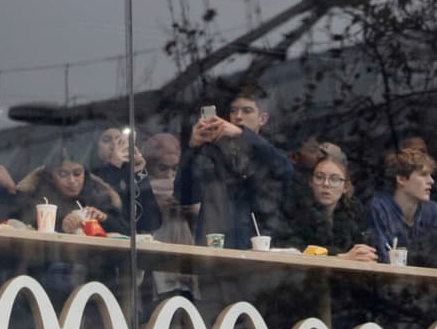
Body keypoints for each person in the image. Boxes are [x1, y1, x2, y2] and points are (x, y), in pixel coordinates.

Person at [176, 85, 293, 250]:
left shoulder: (270, 154)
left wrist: (243, 135)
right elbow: (184, 196)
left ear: (263, 119)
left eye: (247, 111)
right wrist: (193, 147)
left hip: (258, 250)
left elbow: (285, 170)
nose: (238, 117)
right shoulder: (211, 152)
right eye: (233, 111)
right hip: (215, 250)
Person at [277, 152, 378, 261]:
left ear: (346, 187)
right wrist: (340, 257)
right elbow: (291, 251)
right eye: (319, 177)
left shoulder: (353, 213)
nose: (326, 184)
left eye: (334, 179)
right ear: (311, 182)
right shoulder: (296, 211)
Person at [366, 148, 437, 265]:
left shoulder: (434, 213)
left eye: (430, 175)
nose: (431, 181)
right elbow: (380, 257)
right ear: (401, 179)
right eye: (423, 174)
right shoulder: (379, 208)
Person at [25, 145, 123, 234]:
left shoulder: (98, 197)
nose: (72, 181)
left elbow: (128, 233)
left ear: (85, 173)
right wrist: (61, 226)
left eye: (77, 173)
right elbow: (26, 226)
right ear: (51, 177)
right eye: (63, 174)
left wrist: (105, 219)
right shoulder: (38, 201)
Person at [90, 125, 161, 233]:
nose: (114, 146)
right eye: (107, 140)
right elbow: (109, 213)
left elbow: (152, 222)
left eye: (120, 140)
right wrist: (113, 166)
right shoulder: (88, 176)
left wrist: (139, 173)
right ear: (96, 148)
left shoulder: (129, 174)